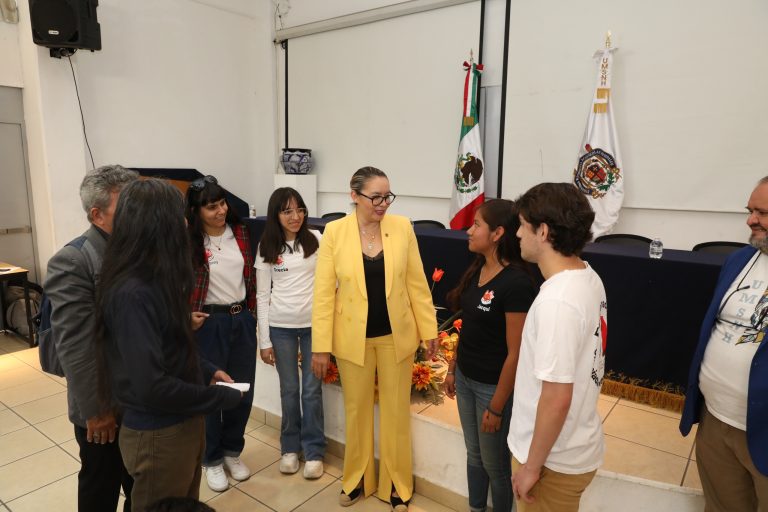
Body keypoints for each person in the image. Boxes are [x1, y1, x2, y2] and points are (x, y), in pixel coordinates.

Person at [94, 179, 243, 512]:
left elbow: (172, 341)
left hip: (182, 421)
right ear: (156, 224)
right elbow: (151, 386)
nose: (186, 224)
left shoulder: (155, 278)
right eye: (179, 217)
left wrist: (207, 369)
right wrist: (217, 398)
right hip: (158, 434)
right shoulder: (132, 292)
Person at [310, 166, 439, 511]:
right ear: (354, 196)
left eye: (387, 196)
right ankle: (356, 480)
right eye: (376, 197)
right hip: (352, 338)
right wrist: (320, 346)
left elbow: (417, 284)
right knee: (357, 411)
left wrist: (429, 330)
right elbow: (323, 294)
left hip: (396, 336)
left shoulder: (402, 227)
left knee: (396, 412)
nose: (383, 204)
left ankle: (397, 484)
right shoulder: (335, 233)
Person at [508, 182, 606, 512]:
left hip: (552, 462)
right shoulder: (587, 275)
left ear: (543, 231)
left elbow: (557, 397)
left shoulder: (557, 301)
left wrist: (531, 467)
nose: (518, 234)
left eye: (522, 225)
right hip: (569, 446)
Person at [45, 164, 137, 512]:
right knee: (101, 484)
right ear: (97, 214)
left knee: (137, 482)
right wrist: (97, 411)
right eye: (125, 208)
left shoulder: (132, 250)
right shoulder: (73, 260)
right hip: (104, 402)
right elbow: (76, 347)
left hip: (138, 395)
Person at [680, 177, 768, 511]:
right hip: (716, 421)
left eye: (762, 212)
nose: (750, 220)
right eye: (750, 211)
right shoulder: (739, 260)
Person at [445, 199, 538, 512]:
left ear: (498, 233)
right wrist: (452, 368)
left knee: (495, 465)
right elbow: (467, 326)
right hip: (466, 378)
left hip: (491, 388)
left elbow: (517, 353)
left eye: (476, 225)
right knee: (473, 455)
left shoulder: (517, 284)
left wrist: (497, 407)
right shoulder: (477, 270)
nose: (469, 231)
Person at [185, 175, 258, 492]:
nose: (220, 211)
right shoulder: (189, 240)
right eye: (211, 207)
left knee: (242, 390)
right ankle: (211, 459)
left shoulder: (240, 232)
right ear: (196, 211)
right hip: (208, 323)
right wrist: (184, 314)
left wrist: (254, 316)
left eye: (223, 204)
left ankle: (232, 451)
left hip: (241, 319)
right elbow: (177, 282)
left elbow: (253, 277)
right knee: (214, 390)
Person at [255, 187, 326, 478]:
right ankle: (289, 448)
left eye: (300, 209)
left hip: (314, 327)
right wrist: (264, 340)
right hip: (280, 327)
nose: (295, 216)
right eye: (287, 211)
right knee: (289, 390)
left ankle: (313, 451)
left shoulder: (317, 240)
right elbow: (261, 296)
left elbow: (328, 286)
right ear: (276, 215)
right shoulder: (267, 247)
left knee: (311, 391)